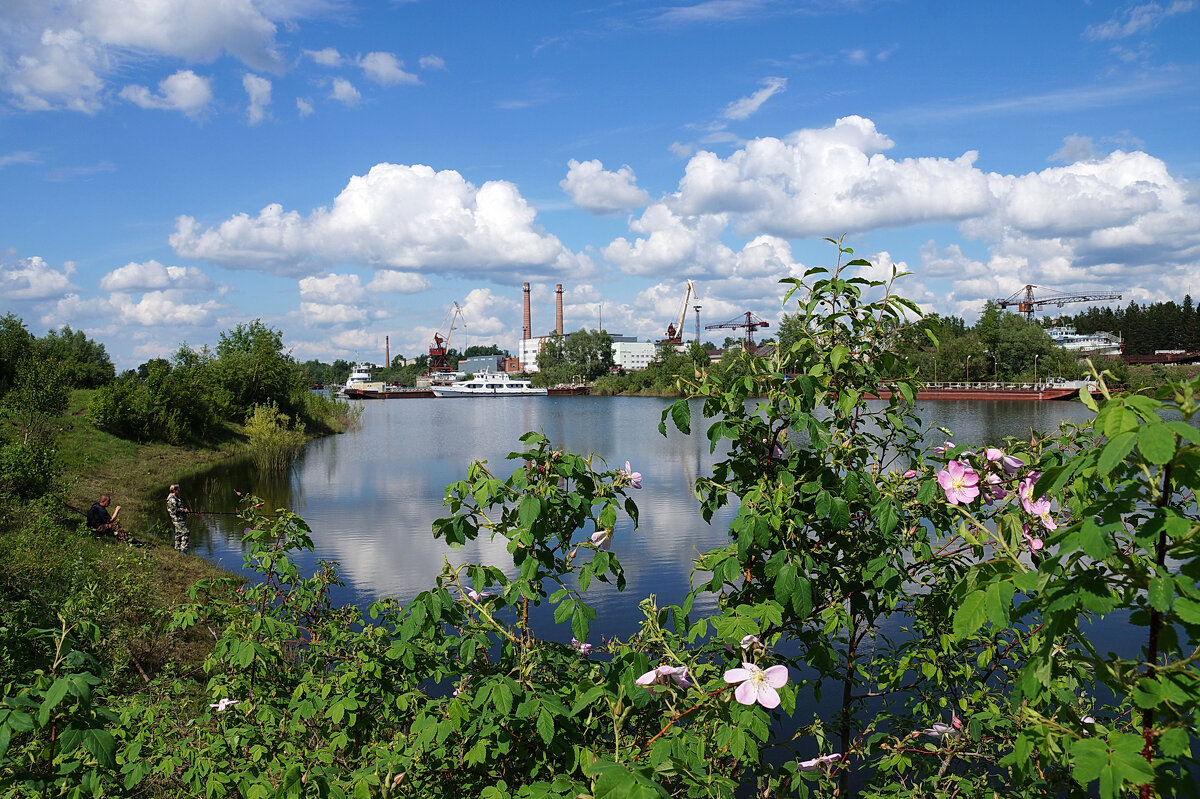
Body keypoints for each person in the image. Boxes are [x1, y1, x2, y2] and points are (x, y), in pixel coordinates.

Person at [167, 484, 196, 553]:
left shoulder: (176, 497)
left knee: (178, 534)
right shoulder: (171, 499)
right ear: (174, 490)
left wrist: (185, 509)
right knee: (185, 532)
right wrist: (183, 510)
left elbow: (180, 506)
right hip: (177, 519)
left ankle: (177, 550)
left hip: (180, 518)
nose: (179, 491)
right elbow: (173, 509)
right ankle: (184, 551)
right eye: (178, 489)